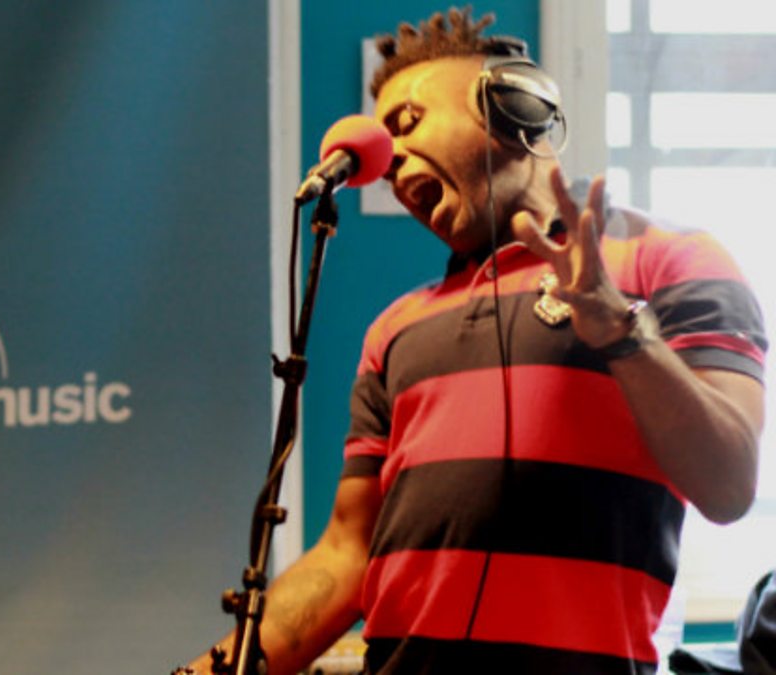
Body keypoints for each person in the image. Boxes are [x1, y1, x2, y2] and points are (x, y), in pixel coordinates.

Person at [182, 6, 767, 675]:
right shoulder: (396, 329)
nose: (390, 161)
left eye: (407, 122)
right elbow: (345, 555)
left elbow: (728, 485)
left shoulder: (671, 260)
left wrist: (622, 332)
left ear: (516, 109)